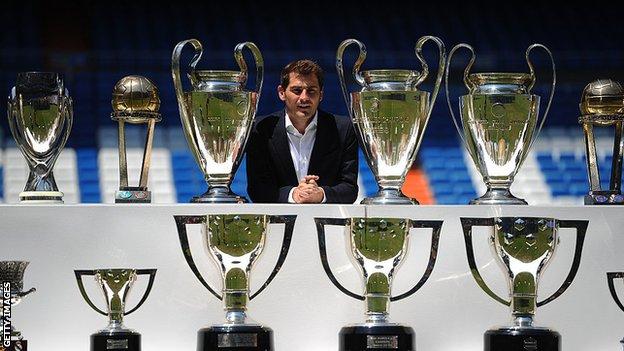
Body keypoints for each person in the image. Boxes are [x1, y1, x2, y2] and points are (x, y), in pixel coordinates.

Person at [246, 59, 358, 203]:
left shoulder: (344, 128)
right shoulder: (260, 129)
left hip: (327, 222)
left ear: (321, 95)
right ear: (282, 93)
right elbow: (257, 189)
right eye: (297, 91)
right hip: (278, 222)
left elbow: (349, 189)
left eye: (311, 91)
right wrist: (294, 194)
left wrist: (321, 194)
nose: (304, 98)